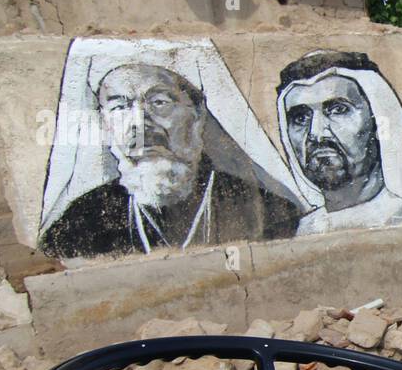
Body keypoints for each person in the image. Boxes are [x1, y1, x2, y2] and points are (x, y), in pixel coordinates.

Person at [39, 63, 297, 257]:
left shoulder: (273, 211)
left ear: (197, 115)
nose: (140, 123)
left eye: (159, 102)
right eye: (119, 107)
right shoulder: (79, 223)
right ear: (105, 125)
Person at [276, 50, 402, 233]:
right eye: (300, 118)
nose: (317, 133)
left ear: (377, 123)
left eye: (338, 109)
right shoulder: (302, 231)